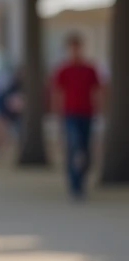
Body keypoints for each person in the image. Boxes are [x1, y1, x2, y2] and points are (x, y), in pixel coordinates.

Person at [51, 33, 104, 200]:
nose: (74, 51)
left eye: (77, 48)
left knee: (85, 149)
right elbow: (57, 93)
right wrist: (57, 114)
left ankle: (82, 181)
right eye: (71, 48)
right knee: (73, 146)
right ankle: (74, 185)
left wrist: (99, 110)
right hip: (70, 114)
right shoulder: (63, 70)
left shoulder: (90, 69)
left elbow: (98, 91)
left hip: (87, 113)